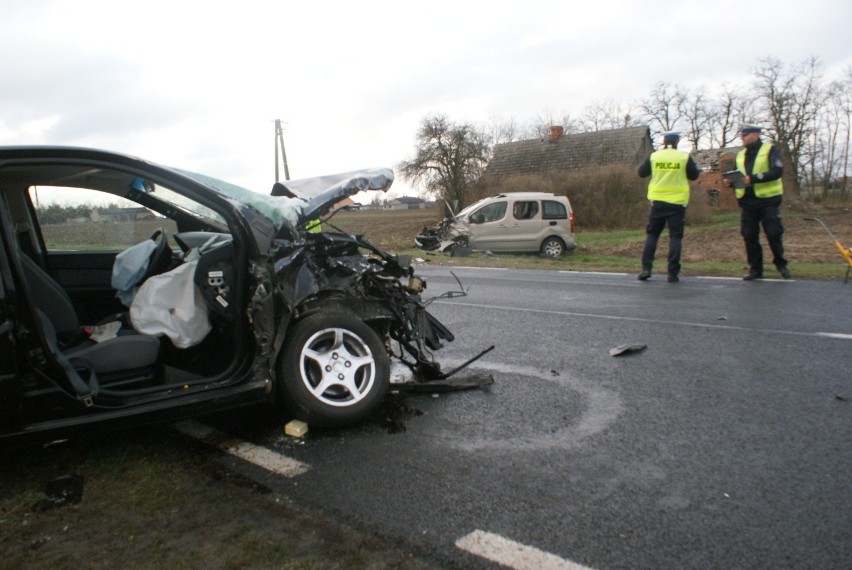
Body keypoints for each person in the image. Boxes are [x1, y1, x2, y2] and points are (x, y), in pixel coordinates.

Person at [723, 124, 790, 280]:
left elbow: (777, 171)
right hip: (747, 202)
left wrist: (753, 179)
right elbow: (738, 176)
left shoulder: (770, 150)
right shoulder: (740, 155)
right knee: (749, 235)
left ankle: (781, 264)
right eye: (742, 135)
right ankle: (755, 269)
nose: (742, 138)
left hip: (768, 200)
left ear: (755, 135)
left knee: (774, 233)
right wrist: (730, 182)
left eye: (745, 135)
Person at [636, 131, 700, 282]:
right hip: (677, 203)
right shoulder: (683, 158)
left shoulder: (655, 156)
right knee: (675, 237)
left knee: (652, 235)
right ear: (677, 142)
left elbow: (641, 173)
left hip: (657, 202)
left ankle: (646, 268)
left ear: (664, 142)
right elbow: (694, 175)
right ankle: (672, 273)